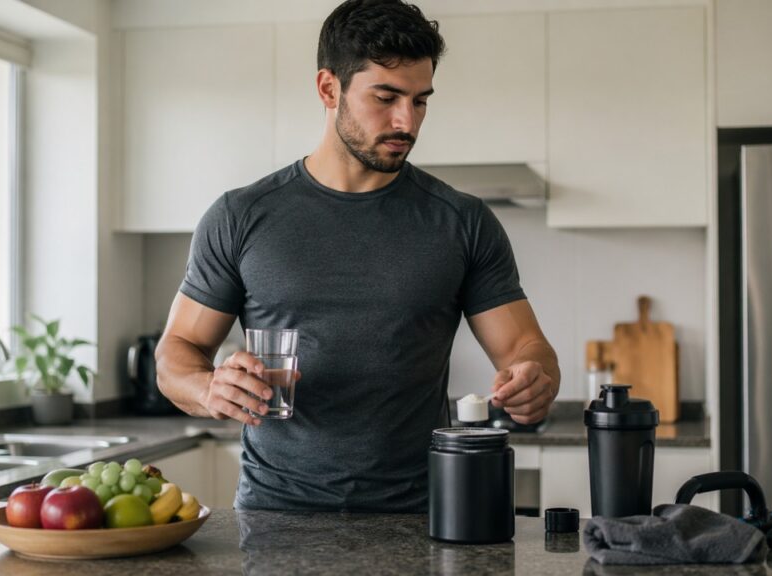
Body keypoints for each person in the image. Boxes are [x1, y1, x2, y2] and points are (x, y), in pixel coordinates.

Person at [156, 0, 560, 512]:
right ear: (329, 88)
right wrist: (208, 387)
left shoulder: (462, 221)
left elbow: (527, 346)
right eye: (386, 97)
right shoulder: (241, 215)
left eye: (420, 101)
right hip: (277, 515)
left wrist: (534, 377)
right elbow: (176, 354)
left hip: (422, 514)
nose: (406, 121)